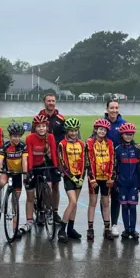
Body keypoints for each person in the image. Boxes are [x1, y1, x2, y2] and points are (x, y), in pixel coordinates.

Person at [32, 93, 65, 223]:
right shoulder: (38, 118)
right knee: (40, 184)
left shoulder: (61, 118)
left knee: (55, 185)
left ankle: (54, 211)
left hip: (55, 157)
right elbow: (33, 138)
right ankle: (41, 211)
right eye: (48, 101)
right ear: (44, 102)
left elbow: (64, 139)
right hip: (40, 156)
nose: (51, 103)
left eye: (53, 101)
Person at [0, 121, 28, 235]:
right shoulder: (6, 146)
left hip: (17, 173)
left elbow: (24, 161)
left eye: (18, 136)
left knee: (15, 202)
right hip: (6, 171)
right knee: (2, 182)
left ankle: (14, 228)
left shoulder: (23, 146)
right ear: (10, 135)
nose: (16, 138)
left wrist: (25, 175)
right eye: (14, 136)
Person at [24, 114, 59, 227]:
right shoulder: (30, 138)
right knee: (33, 191)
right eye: (38, 126)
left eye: (43, 126)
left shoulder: (51, 137)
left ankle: (45, 211)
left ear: (47, 127)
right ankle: (37, 209)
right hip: (33, 166)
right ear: (35, 128)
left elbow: (53, 153)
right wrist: (29, 171)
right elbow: (29, 154)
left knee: (46, 188)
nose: (41, 128)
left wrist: (56, 167)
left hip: (43, 164)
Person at [84, 118, 115, 240]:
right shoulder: (90, 142)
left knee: (106, 203)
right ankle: (90, 229)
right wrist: (91, 178)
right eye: (100, 129)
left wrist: (111, 177)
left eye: (104, 130)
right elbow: (88, 161)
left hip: (106, 178)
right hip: (94, 178)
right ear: (96, 129)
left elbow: (113, 160)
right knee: (93, 202)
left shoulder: (110, 144)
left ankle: (107, 229)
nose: (102, 132)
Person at [57, 117, 85, 243]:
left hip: (79, 177)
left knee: (75, 204)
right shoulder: (62, 144)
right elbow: (62, 164)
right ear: (67, 131)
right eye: (71, 131)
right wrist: (72, 177)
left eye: (75, 130)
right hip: (69, 177)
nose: (73, 133)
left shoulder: (82, 144)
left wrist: (82, 177)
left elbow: (85, 162)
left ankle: (71, 229)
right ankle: (62, 229)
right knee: (72, 202)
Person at [113, 123, 140, 239]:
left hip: (134, 183)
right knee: (124, 207)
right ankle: (126, 230)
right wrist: (116, 182)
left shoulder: (137, 149)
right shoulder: (118, 149)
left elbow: (139, 168)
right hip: (122, 183)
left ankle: (133, 229)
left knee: (133, 207)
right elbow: (115, 167)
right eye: (126, 134)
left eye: (131, 134)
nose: (128, 136)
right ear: (122, 135)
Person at [104, 99, 126, 237]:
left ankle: (114, 224)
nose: (114, 110)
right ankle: (106, 223)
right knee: (105, 196)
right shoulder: (102, 123)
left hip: (119, 164)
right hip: (104, 164)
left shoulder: (123, 124)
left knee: (116, 196)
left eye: (116, 108)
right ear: (107, 109)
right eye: (111, 108)